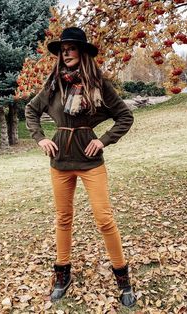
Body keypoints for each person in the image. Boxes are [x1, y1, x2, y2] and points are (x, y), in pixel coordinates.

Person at [25, 27, 136, 308]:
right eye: (63, 49)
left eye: (72, 48)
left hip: (90, 162)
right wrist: (40, 139)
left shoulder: (98, 85)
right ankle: (62, 274)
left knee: (104, 218)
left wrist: (103, 141)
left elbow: (125, 116)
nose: (66, 53)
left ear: (83, 53)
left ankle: (122, 278)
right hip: (60, 162)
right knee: (63, 218)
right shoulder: (53, 86)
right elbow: (31, 111)